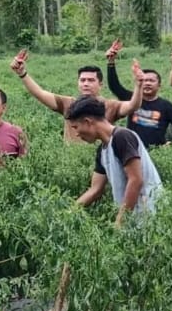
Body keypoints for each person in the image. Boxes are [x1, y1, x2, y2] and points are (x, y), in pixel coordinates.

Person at [66, 95, 163, 227]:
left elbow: (136, 180)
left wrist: (119, 223)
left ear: (88, 122)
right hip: (132, 219)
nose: (76, 134)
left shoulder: (122, 137)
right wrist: (68, 213)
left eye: (76, 127)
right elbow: (95, 189)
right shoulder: (102, 151)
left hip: (149, 215)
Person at [9, 50, 143, 142]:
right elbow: (40, 93)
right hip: (70, 162)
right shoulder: (68, 104)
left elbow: (133, 105)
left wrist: (139, 85)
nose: (86, 84)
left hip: (101, 161)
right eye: (82, 80)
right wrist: (22, 74)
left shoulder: (110, 105)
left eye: (91, 80)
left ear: (100, 84)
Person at [104, 40, 172, 147]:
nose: (147, 83)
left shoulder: (166, 106)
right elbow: (114, 86)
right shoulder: (132, 99)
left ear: (159, 85)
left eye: (151, 81)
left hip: (156, 151)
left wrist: (171, 143)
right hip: (132, 149)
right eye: (145, 80)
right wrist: (111, 62)